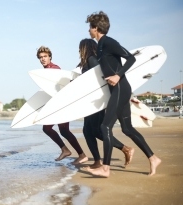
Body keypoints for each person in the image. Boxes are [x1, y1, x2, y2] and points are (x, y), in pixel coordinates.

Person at [84, 11, 161, 177]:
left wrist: (118, 75)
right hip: (119, 90)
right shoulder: (101, 46)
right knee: (127, 129)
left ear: (96, 28)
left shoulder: (109, 42)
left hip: (120, 88)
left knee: (104, 127)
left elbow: (131, 58)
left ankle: (105, 168)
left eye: (90, 27)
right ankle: (153, 158)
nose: (89, 31)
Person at [78, 38, 135, 169]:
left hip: (96, 102)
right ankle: (98, 160)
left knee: (96, 131)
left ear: (86, 48)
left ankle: (125, 149)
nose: (79, 51)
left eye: (80, 48)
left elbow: (99, 80)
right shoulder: (88, 61)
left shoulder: (92, 59)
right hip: (90, 102)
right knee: (88, 131)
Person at [37, 46, 88, 164]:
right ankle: (68, 151)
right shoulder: (46, 71)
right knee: (56, 130)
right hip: (57, 104)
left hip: (62, 104)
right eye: (40, 57)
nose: (43, 59)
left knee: (53, 129)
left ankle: (79, 154)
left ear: (50, 57)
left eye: (45, 56)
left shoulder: (54, 69)